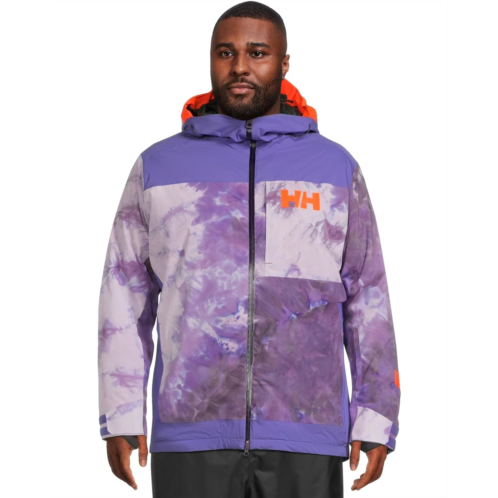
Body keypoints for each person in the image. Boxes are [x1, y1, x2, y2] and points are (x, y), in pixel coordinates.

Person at [97, 2, 401, 497]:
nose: (239, 66)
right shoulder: (158, 167)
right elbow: (124, 295)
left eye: (257, 53)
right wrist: (122, 413)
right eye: (226, 53)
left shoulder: (333, 168)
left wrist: (375, 416)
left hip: (306, 430)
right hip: (191, 430)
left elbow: (368, 295)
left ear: (284, 63)